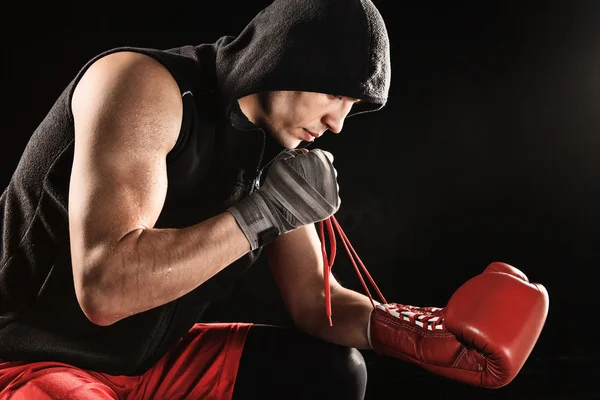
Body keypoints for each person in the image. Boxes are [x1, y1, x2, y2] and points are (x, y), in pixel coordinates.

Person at [0, 0, 549, 399]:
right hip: (28, 364)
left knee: (335, 374)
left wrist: (420, 334)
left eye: (352, 106)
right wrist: (258, 213)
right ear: (290, 59)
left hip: (151, 366)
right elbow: (105, 289)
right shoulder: (143, 86)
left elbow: (315, 301)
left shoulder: (276, 148)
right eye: (336, 94)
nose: (337, 122)